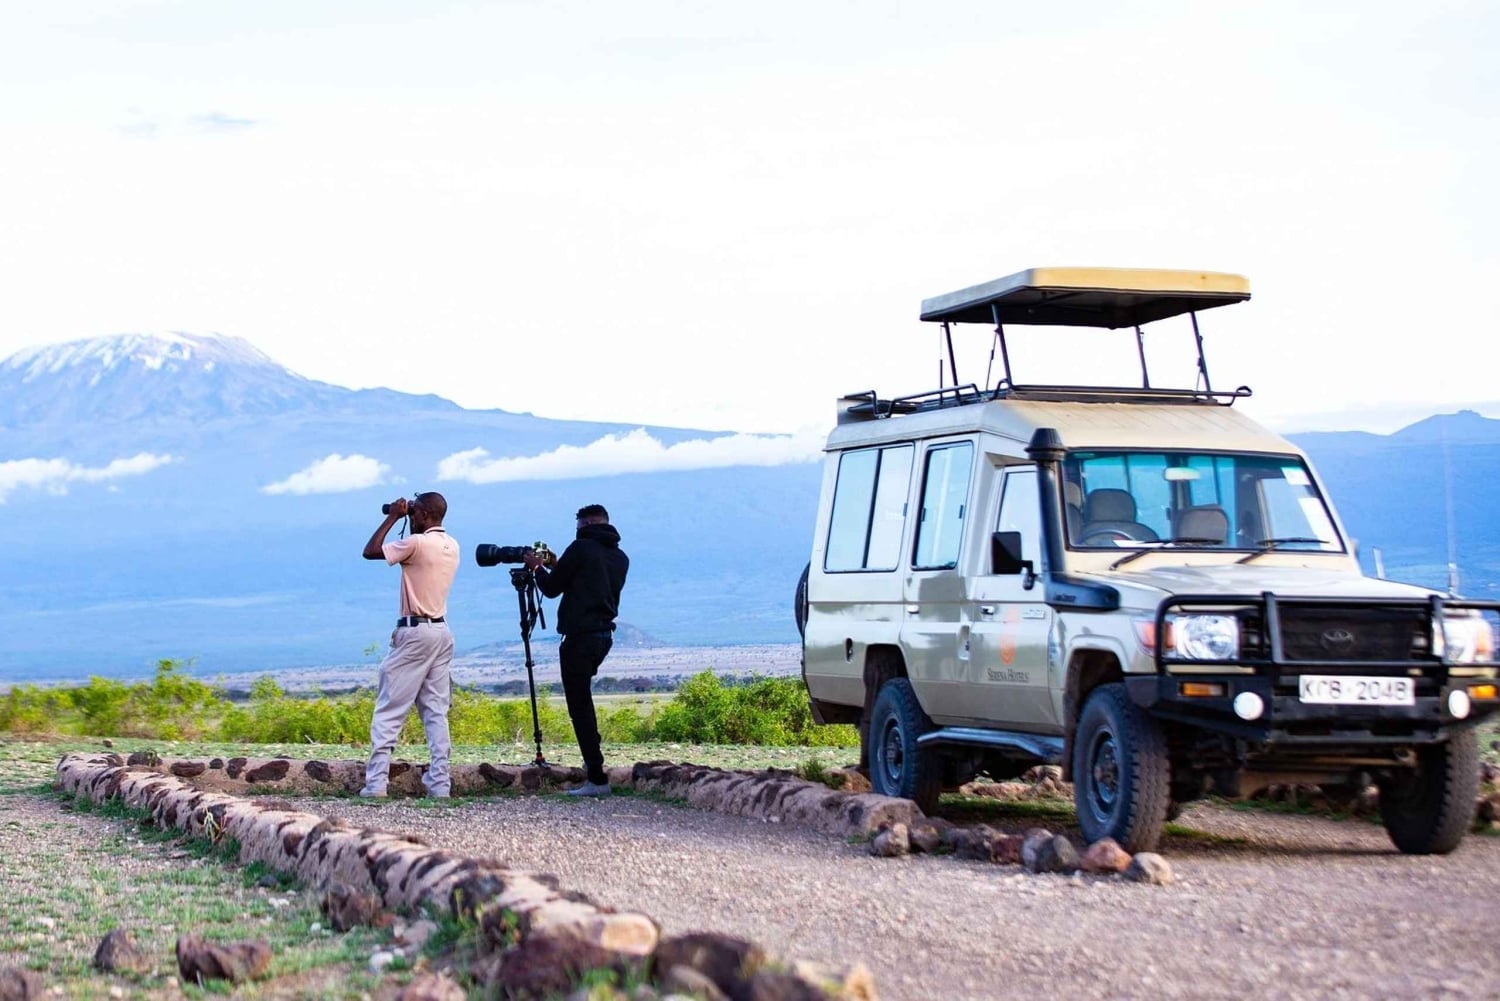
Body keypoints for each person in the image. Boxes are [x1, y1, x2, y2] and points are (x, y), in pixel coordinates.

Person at [522, 503, 629, 797]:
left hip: (579, 638)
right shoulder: (619, 557)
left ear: (582, 527)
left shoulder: (580, 548)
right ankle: (592, 764)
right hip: (603, 636)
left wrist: (536, 568)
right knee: (584, 702)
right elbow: (586, 582)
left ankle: (596, 778)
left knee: (579, 706)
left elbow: (552, 589)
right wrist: (556, 564)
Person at [360, 492, 460, 799]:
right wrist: (407, 514)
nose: (410, 516)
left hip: (414, 632)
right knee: (435, 712)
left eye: (414, 512)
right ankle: (440, 785)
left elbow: (371, 551)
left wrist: (392, 516)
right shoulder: (452, 546)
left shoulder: (417, 544)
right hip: (441, 632)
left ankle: (376, 784)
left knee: (390, 708)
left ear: (426, 515)